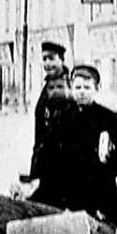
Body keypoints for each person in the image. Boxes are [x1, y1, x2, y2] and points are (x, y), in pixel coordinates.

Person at [32, 64, 117, 227]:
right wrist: (42, 177)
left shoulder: (108, 118)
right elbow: (47, 151)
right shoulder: (61, 116)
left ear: (97, 89)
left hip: (98, 191)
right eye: (78, 87)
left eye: (87, 87)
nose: (82, 92)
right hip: (64, 188)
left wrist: (108, 170)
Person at [27, 40, 71, 180]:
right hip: (45, 156)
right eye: (44, 59)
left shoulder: (63, 86)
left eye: (51, 58)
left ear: (62, 60)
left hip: (58, 160)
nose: (47, 63)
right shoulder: (49, 85)